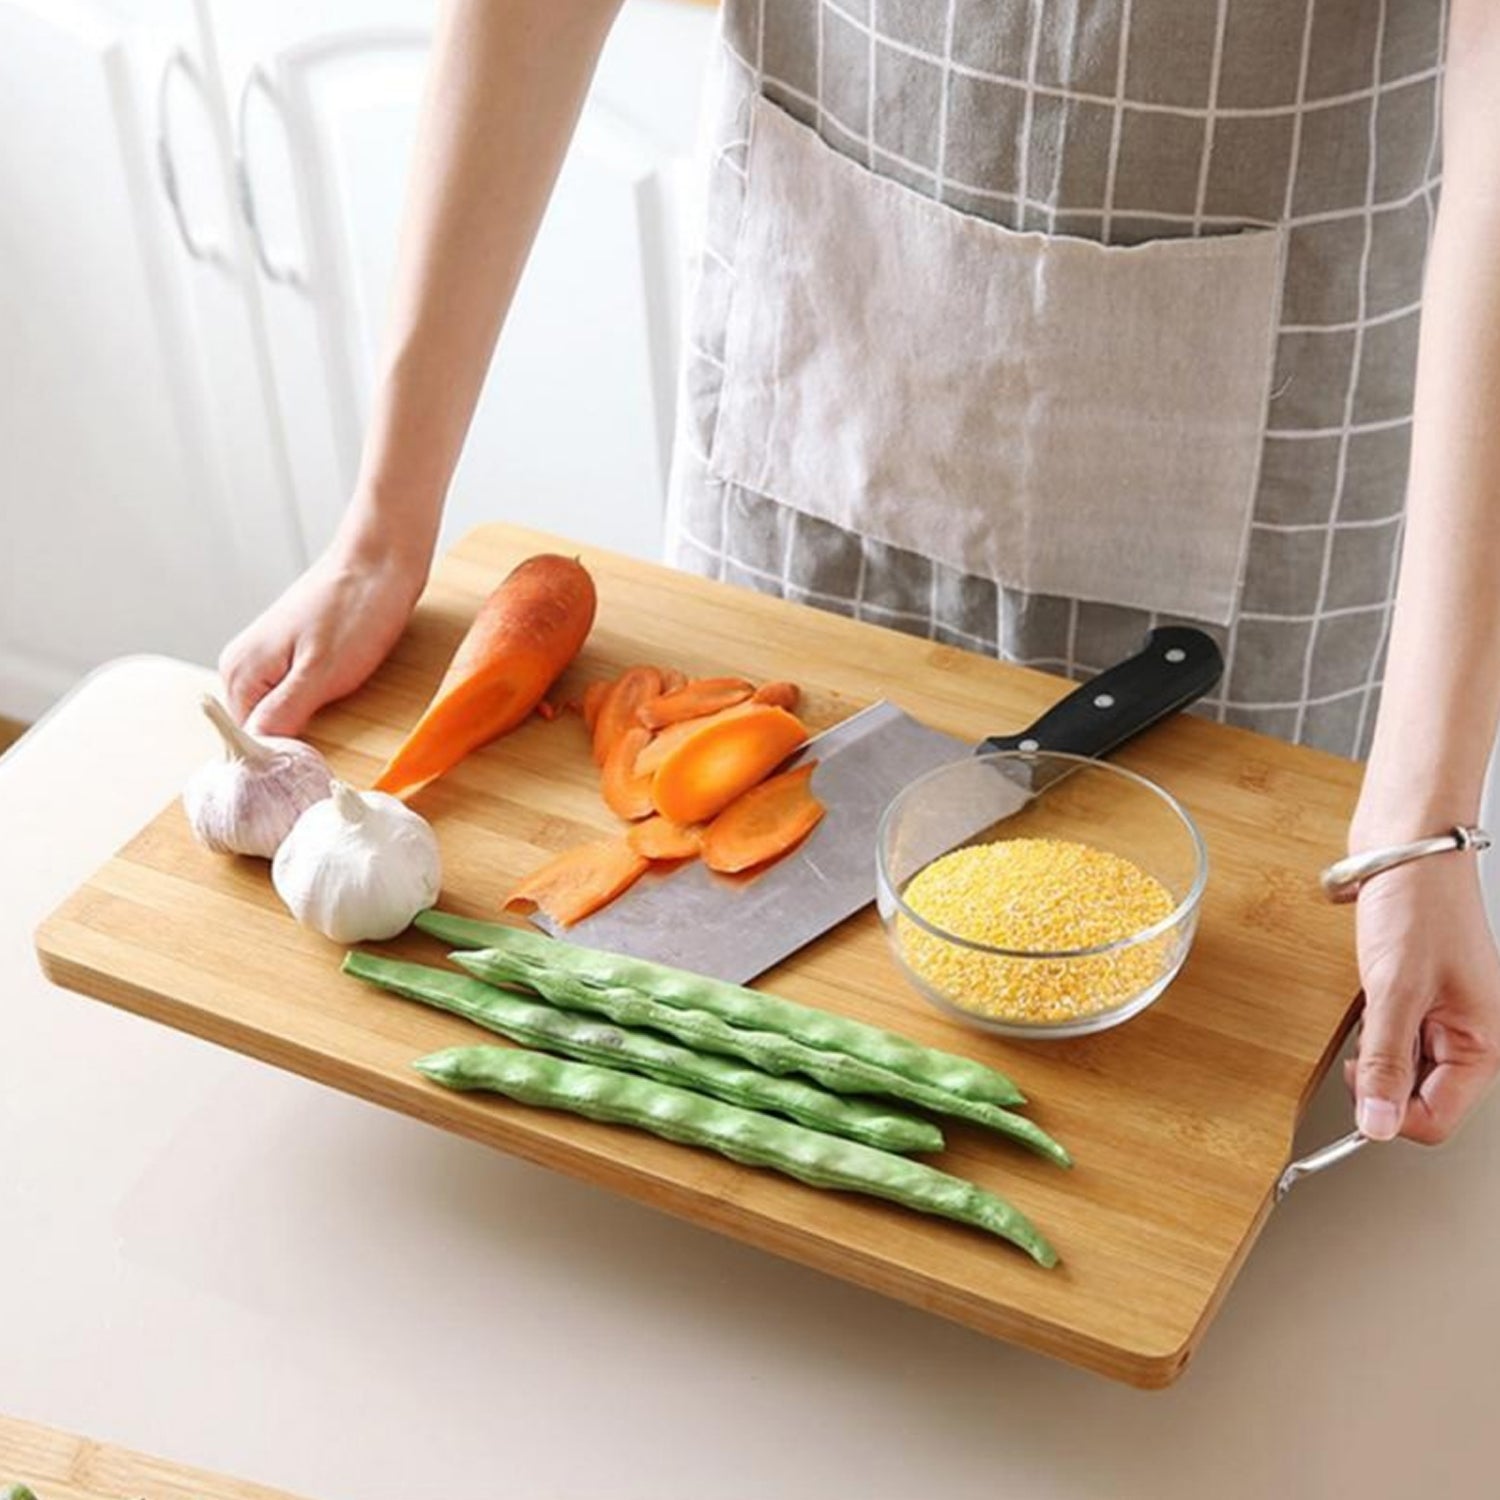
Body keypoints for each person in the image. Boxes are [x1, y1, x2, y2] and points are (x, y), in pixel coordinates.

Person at [219, 1, 1500, 1147]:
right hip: (829, 346)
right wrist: (388, 520)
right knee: (722, 1054)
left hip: (1259, 454)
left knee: (1177, 1101)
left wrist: (1420, 819)